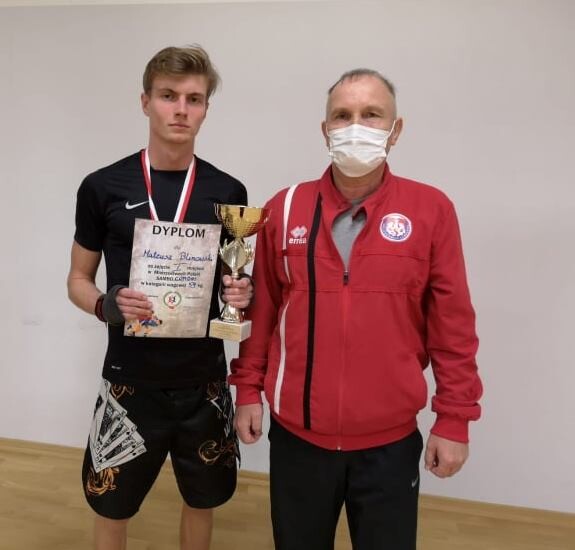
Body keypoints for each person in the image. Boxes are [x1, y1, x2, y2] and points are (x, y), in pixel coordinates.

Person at [230, 69, 483, 550]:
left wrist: (454, 418)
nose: (355, 126)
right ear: (325, 129)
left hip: (389, 443)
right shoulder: (284, 209)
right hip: (298, 439)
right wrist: (247, 389)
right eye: (342, 116)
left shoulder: (431, 210)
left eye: (372, 115)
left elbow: (452, 324)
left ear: (396, 129)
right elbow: (261, 315)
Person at [67, 45, 252, 550]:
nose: (181, 109)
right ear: (145, 101)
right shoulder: (102, 186)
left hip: (204, 380)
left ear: (206, 108)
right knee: (111, 505)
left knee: (202, 501)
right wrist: (106, 304)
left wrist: (243, 292)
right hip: (129, 380)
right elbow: (78, 280)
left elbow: (235, 284)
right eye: (169, 96)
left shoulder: (228, 191)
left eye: (194, 99)